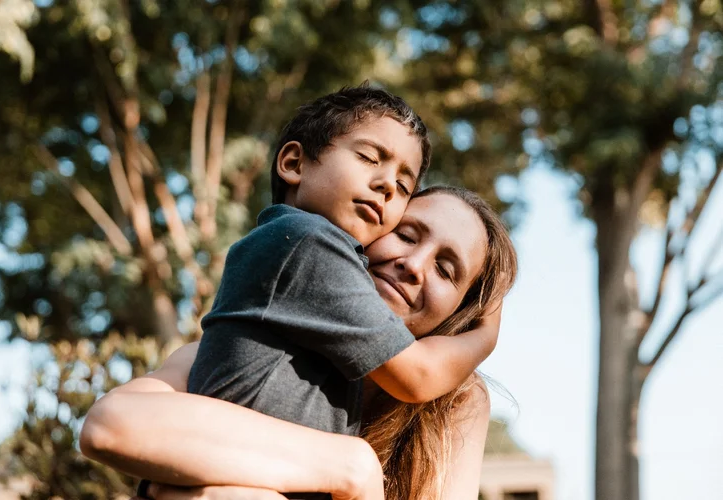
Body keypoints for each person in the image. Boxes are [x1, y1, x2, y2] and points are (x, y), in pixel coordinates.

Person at [81, 186, 518, 500]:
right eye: (406, 235)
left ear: (458, 314)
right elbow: (111, 424)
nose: (414, 265)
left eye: (446, 270)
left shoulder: (454, 403)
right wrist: (349, 467)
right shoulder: (252, 352)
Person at [185, 82, 502, 451]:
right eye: (369, 158)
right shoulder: (306, 242)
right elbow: (419, 376)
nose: (386, 185)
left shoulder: (297, 249)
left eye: (403, 185)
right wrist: (488, 333)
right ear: (293, 163)